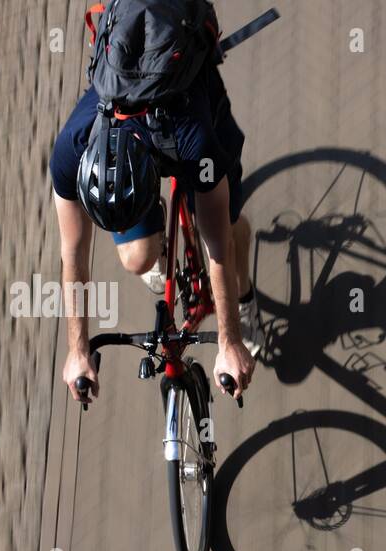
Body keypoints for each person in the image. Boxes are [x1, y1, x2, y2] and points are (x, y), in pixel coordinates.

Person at [50, 8, 261, 403]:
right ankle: (157, 237)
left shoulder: (194, 143)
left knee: (230, 233)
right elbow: (72, 251)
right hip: (130, 132)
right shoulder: (71, 151)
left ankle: (247, 296)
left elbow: (217, 245)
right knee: (135, 259)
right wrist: (77, 350)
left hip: (188, 105)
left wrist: (229, 341)